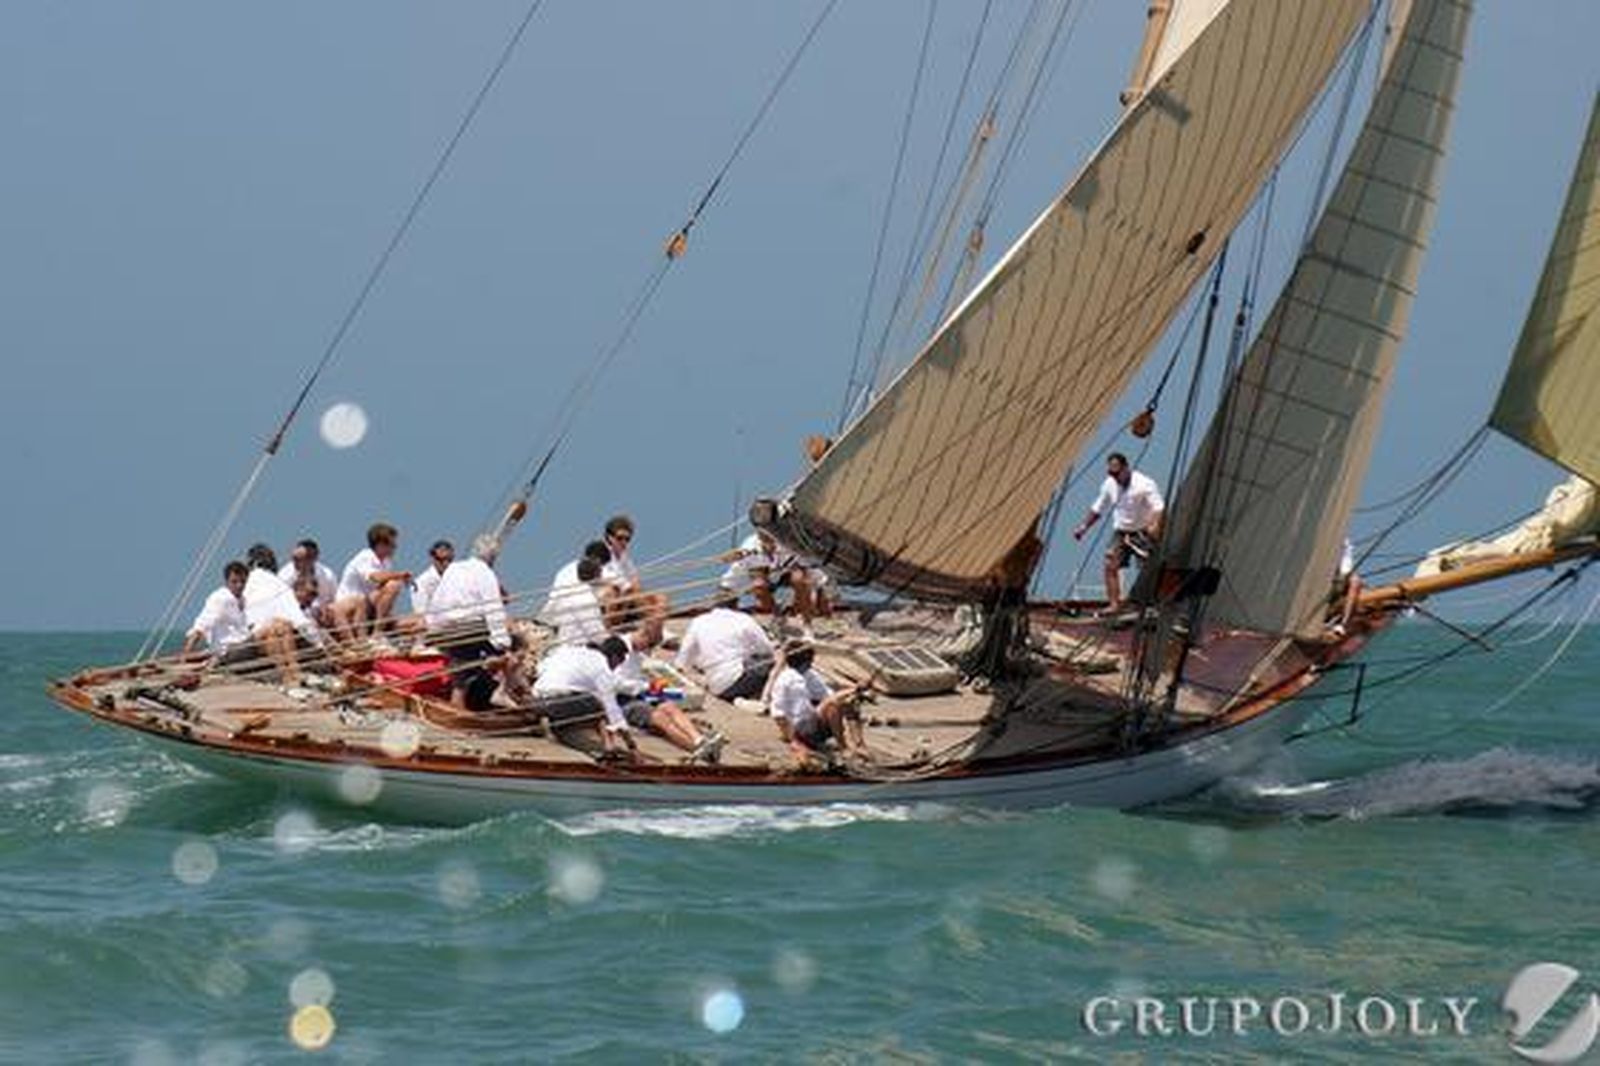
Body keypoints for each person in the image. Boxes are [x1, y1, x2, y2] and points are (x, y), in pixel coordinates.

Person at [426, 535, 515, 710]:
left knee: (460, 679)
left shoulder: (453, 568)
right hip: (469, 628)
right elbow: (493, 608)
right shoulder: (486, 573)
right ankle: (503, 690)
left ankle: (457, 710)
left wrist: (433, 629)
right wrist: (502, 642)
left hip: (446, 629)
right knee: (515, 652)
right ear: (492, 557)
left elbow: (437, 600)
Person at [1072, 452, 1165, 615]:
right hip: (1121, 532)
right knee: (1110, 565)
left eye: (1117, 473)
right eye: (1111, 473)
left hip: (1142, 531)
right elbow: (1098, 508)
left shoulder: (1144, 483)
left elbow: (1158, 507)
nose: (1114, 477)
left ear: (1126, 468)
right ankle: (1114, 605)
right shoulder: (1109, 484)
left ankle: (1150, 604)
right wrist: (1083, 527)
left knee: (1148, 567)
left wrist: (1155, 525)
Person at [615, 623, 724, 760]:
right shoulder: (619, 648)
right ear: (643, 635)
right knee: (660, 718)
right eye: (649, 645)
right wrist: (646, 687)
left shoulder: (639, 652)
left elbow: (638, 677)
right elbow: (616, 683)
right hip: (621, 699)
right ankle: (697, 748)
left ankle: (698, 739)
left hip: (639, 693)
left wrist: (653, 688)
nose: (649, 650)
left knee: (669, 707)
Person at [532, 638, 636, 759]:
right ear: (614, 657)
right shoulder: (601, 667)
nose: (618, 667)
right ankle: (609, 747)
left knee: (562, 729)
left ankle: (590, 750)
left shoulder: (574, 652)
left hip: (538, 700)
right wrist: (631, 745)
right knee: (600, 705)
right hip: (558, 700)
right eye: (621, 661)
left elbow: (541, 669)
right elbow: (613, 711)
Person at [242, 543, 327, 685]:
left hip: (262, 632)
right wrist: (319, 645)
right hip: (256, 635)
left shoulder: (249, 584)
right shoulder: (280, 584)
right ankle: (289, 674)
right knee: (276, 628)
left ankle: (292, 673)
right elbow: (297, 619)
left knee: (280, 626)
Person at [768, 640, 865, 757]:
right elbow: (778, 713)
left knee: (850, 702)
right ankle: (843, 747)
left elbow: (827, 694)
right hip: (799, 730)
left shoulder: (810, 675)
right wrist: (793, 740)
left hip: (813, 723)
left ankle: (860, 745)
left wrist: (853, 692)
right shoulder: (785, 680)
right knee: (832, 706)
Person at [718, 530, 826, 633]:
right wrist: (774, 611)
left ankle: (806, 625)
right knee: (725, 615)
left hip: (778, 574)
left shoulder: (788, 544)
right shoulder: (751, 547)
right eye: (765, 539)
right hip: (741, 582)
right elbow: (760, 581)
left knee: (801, 580)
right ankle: (777, 617)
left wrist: (813, 596)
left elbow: (805, 570)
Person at [675, 593, 776, 700]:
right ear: (736, 604)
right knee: (783, 658)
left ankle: (745, 698)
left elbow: (682, 662)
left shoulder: (698, 621)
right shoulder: (743, 619)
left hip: (716, 687)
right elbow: (767, 649)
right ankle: (767, 698)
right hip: (739, 680)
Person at [332, 523, 412, 640]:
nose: (395, 547)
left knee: (417, 622)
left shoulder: (386, 562)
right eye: (392, 544)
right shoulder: (365, 557)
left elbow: (381, 590)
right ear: (380, 544)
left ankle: (385, 633)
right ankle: (377, 633)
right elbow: (376, 578)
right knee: (393, 585)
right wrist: (399, 575)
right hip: (351, 607)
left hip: (368, 608)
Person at [182, 561, 251, 660]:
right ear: (226, 582)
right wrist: (185, 654)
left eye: (243, 581)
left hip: (242, 647)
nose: (239, 585)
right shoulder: (220, 598)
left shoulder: (242, 599)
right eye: (234, 582)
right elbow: (201, 626)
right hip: (228, 652)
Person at [538, 540, 610, 625]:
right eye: (602, 564)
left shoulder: (566, 569)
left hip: (550, 615)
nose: (601, 568)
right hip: (567, 619)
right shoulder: (589, 571)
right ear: (597, 559)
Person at [278, 539, 338, 625]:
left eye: (307, 557)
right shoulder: (284, 576)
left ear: (315, 557)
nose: (298, 563)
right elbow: (282, 604)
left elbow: (336, 600)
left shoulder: (328, 576)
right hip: (295, 618)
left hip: (325, 617)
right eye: (296, 559)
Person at [1328, 538, 1364, 639]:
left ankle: (1342, 623)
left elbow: (1345, 570)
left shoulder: (1342, 542)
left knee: (1355, 581)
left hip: (1336, 582)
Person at [411, 539, 455, 617]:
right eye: (441, 559)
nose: (445, 564)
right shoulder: (421, 582)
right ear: (433, 558)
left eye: (449, 559)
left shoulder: (458, 577)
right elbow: (420, 612)